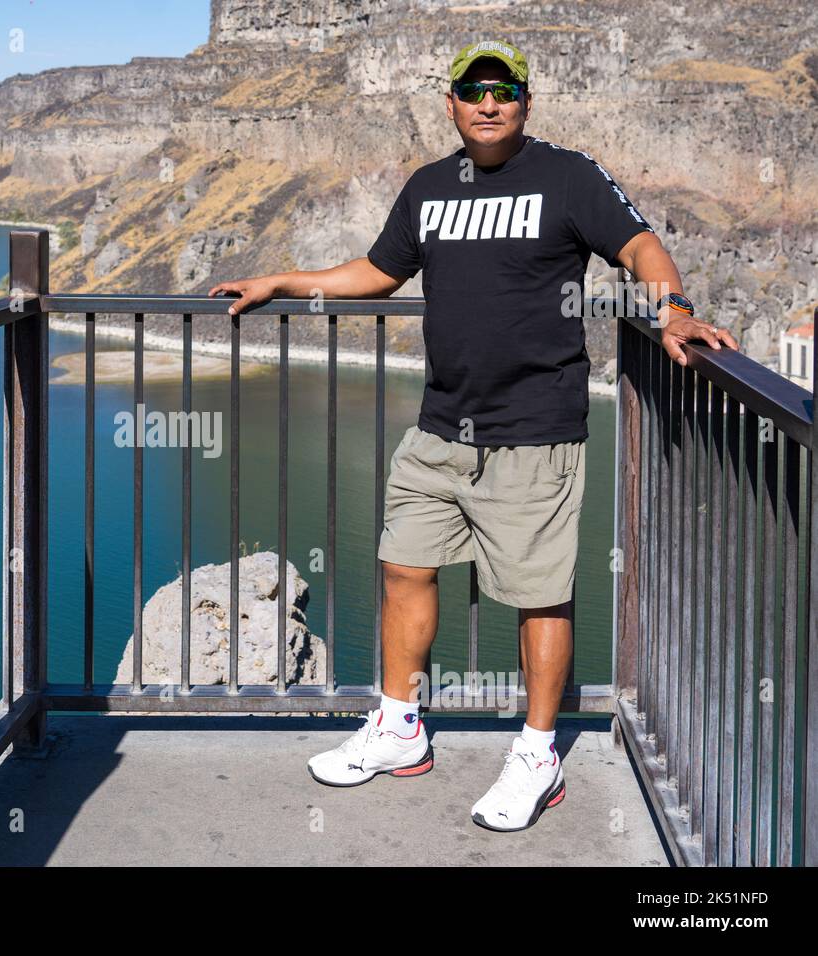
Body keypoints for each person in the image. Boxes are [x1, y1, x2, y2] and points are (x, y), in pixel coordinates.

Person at [207, 38, 739, 831]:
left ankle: (536, 755)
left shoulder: (569, 175)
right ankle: (398, 728)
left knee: (538, 598)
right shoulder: (428, 187)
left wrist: (670, 311)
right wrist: (283, 279)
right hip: (439, 430)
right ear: (450, 102)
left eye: (504, 89)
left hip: (535, 431)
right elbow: (378, 271)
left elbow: (638, 247)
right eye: (472, 89)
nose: (488, 102)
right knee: (402, 569)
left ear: (526, 101)